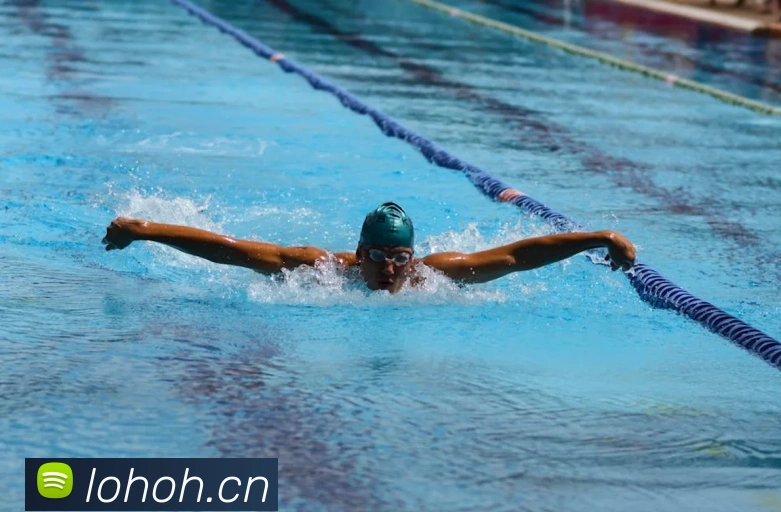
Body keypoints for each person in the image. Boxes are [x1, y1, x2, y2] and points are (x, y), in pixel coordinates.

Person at [102, 202, 636, 294]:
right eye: (377, 257)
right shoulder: (319, 271)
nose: (388, 269)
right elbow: (231, 249)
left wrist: (599, 235)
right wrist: (145, 229)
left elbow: (518, 256)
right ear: (359, 255)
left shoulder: (433, 276)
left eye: (399, 258)